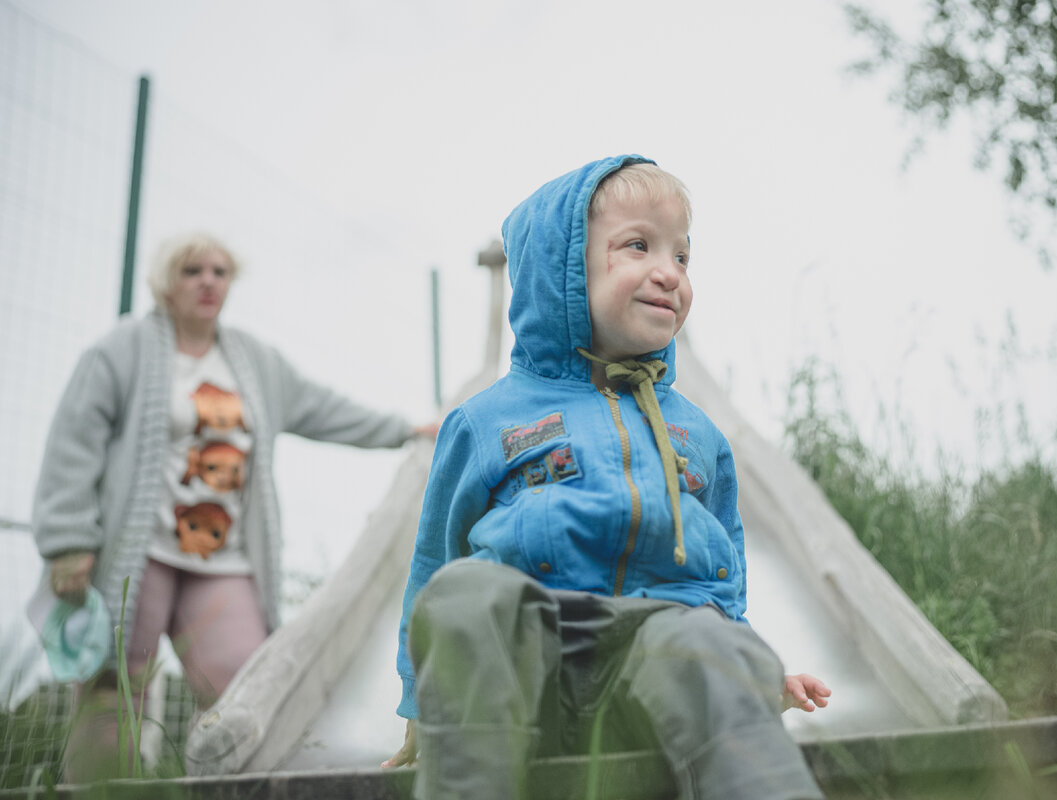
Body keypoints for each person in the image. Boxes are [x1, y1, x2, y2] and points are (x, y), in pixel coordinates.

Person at [384, 156, 830, 799]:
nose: (668, 273)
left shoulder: (697, 433)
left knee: (702, 638)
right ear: (563, 269)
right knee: (464, 594)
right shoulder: (487, 421)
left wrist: (746, 666)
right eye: (639, 246)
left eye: (682, 256)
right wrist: (420, 709)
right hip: (522, 678)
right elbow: (435, 560)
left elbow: (722, 571)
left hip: (651, 677)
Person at [31, 231, 438, 781]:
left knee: (247, 687)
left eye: (220, 272)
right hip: (138, 554)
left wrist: (404, 429)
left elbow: (322, 408)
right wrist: (67, 541)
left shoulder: (253, 360)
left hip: (222, 563)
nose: (208, 281)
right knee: (114, 688)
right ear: (165, 283)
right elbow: (73, 442)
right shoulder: (120, 351)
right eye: (192, 270)